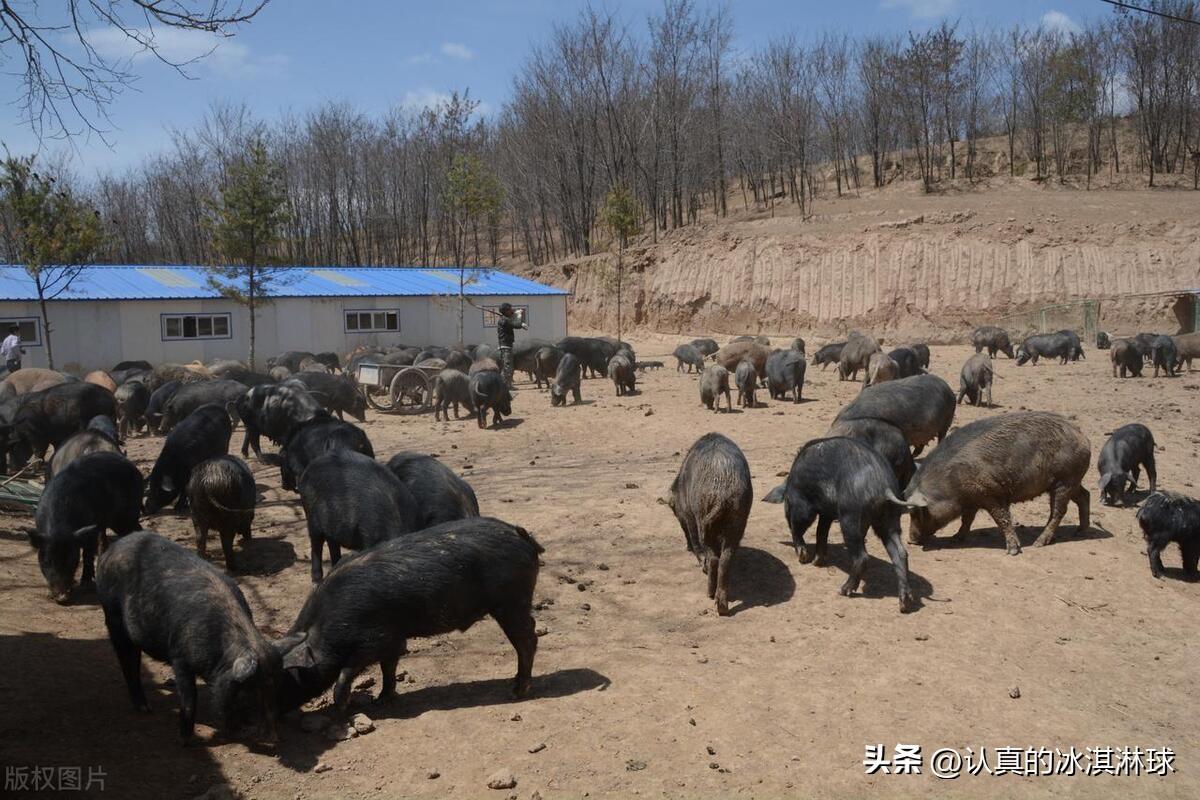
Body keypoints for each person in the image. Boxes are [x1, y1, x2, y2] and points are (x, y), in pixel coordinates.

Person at [495, 303, 527, 388]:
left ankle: (507, 385)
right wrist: (519, 316)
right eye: (510, 309)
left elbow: (512, 319)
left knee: (508, 367)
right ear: (505, 311)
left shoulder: (505, 319)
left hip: (506, 346)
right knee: (507, 368)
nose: (511, 310)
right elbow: (516, 325)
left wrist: (515, 314)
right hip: (505, 347)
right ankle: (505, 386)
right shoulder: (504, 320)